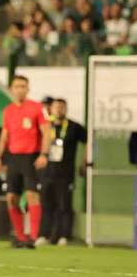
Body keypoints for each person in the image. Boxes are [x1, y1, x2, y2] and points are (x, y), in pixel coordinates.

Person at [0, 75, 51, 248]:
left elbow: (47, 132)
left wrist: (44, 154)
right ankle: (21, 237)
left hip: (31, 157)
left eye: (23, 86)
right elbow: (4, 136)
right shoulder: (8, 110)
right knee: (11, 197)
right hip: (13, 158)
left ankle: (33, 236)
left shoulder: (38, 108)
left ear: (28, 88)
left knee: (32, 195)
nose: (20, 89)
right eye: (17, 86)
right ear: (12, 89)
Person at [38, 98, 86, 246]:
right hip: (46, 172)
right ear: (50, 109)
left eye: (62, 107)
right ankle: (44, 235)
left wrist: (84, 162)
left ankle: (64, 236)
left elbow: (88, 141)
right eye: (56, 107)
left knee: (64, 205)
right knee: (46, 204)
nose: (59, 110)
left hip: (65, 173)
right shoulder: (45, 125)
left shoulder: (74, 127)